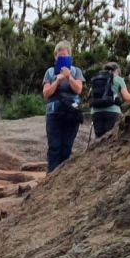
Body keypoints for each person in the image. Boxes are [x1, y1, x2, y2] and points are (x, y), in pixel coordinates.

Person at [41, 41, 85, 171]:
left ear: (70, 56)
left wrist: (69, 77)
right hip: (54, 113)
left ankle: (63, 177)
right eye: (59, 57)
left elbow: (79, 90)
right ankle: (51, 176)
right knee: (54, 146)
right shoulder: (50, 72)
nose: (61, 59)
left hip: (71, 112)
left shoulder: (76, 71)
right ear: (55, 57)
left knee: (67, 146)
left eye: (65, 56)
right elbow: (46, 93)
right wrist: (57, 81)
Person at [87, 62, 130, 142]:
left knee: (98, 140)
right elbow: (128, 97)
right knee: (109, 139)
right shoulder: (118, 79)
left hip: (96, 111)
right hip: (112, 111)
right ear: (117, 70)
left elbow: (89, 96)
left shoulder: (96, 79)